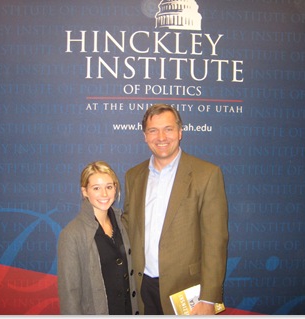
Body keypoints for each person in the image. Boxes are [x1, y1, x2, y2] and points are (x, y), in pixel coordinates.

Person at [123, 104, 229, 315]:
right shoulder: (133, 176)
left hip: (187, 291)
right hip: (143, 287)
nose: (161, 137)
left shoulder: (206, 174)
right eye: (153, 130)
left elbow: (215, 241)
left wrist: (208, 297)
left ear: (180, 132)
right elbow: (128, 226)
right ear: (145, 136)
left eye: (168, 129)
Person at [57, 161, 139, 315]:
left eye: (109, 187)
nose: (104, 194)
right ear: (85, 191)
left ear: (115, 188)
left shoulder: (123, 223)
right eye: (96, 188)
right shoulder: (72, 234)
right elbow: (70, 294)